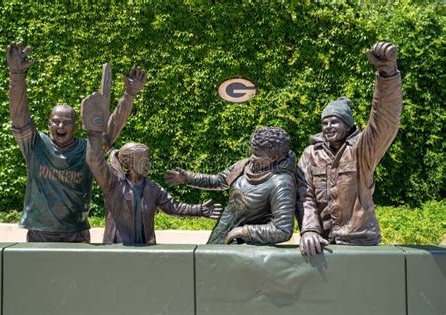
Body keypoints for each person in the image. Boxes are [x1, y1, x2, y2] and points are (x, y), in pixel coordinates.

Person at [7, 41, 146, 242]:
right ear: (49, 125)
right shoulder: (35, 145)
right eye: (56, 122)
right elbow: (19, 116)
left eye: (66, 123)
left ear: (75, 126)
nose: (61, 127)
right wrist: (16, 75)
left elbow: (112, 127)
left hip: (76, 234)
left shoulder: (87, 150)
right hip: (40, 233)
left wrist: (129, 95)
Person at [297, 42, 402, 256]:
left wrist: (387, 74)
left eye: (334, 122)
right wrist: (308, 230)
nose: (328, 127)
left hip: (360, 241)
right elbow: (304, 195)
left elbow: (384, 118)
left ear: (348, 124)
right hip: (321, 244)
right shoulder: (311, 154)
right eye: (324, 123)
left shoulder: (362, 149)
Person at [82, 93, 222, 245]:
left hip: (145, 251)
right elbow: (95, 161)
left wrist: (200, 210)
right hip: (117, 250)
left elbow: (173, 207)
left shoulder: (151, 188)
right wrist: (94, 132)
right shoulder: (113, 184)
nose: (149, 164)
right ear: (129, 162)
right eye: (144, 161)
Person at [165, 126, 296, 245]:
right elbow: (218, 181)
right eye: (252, 152)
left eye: (257, 155)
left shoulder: (281, 183)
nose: (251, 158)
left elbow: (282, 229)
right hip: (221, 236)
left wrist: (243, 231)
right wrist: (187, 178)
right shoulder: (244, 166)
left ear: (274, 157)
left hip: (245, 250)